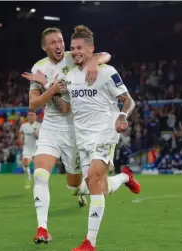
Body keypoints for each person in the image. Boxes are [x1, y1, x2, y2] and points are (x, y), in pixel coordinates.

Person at [21, 27, 112, 244]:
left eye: (60, 41)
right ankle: (42, 229)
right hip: (51, 128)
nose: (59, 45)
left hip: (75, 131)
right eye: (52, 42)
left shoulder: (74, 57)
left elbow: (105, 55)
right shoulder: (39, 68)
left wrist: (92, 62)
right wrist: (49, 88)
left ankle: (120, 179)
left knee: (75, 188)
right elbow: (33, 104)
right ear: (45, 47)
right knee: (40, 175)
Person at [62, 25, 141, 251]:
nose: (75, 52)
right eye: (72, 48)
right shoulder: (70, 75)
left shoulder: (107, 71)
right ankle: (125, 178)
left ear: (91, 49)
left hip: (105, 133)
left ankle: (90, 243)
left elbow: (129, 100)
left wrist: (122, 116)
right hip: (82, 138)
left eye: (79, 48)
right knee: (99, 188)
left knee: (95, 182)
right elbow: (67, 105)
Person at [18, 111, 41, 189]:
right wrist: (20, 140)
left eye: (32, 115)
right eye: (29, 115)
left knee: (37, 168)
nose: (31, 116)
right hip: (27, 148)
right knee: (25, 163)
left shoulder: (39, 126)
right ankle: (28, 179)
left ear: (35, 116)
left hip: (37, 148)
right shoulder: (24, 125)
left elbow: (41, 138)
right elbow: (21, 134)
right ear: (27, 116)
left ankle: (38, 183)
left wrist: (36, 135)